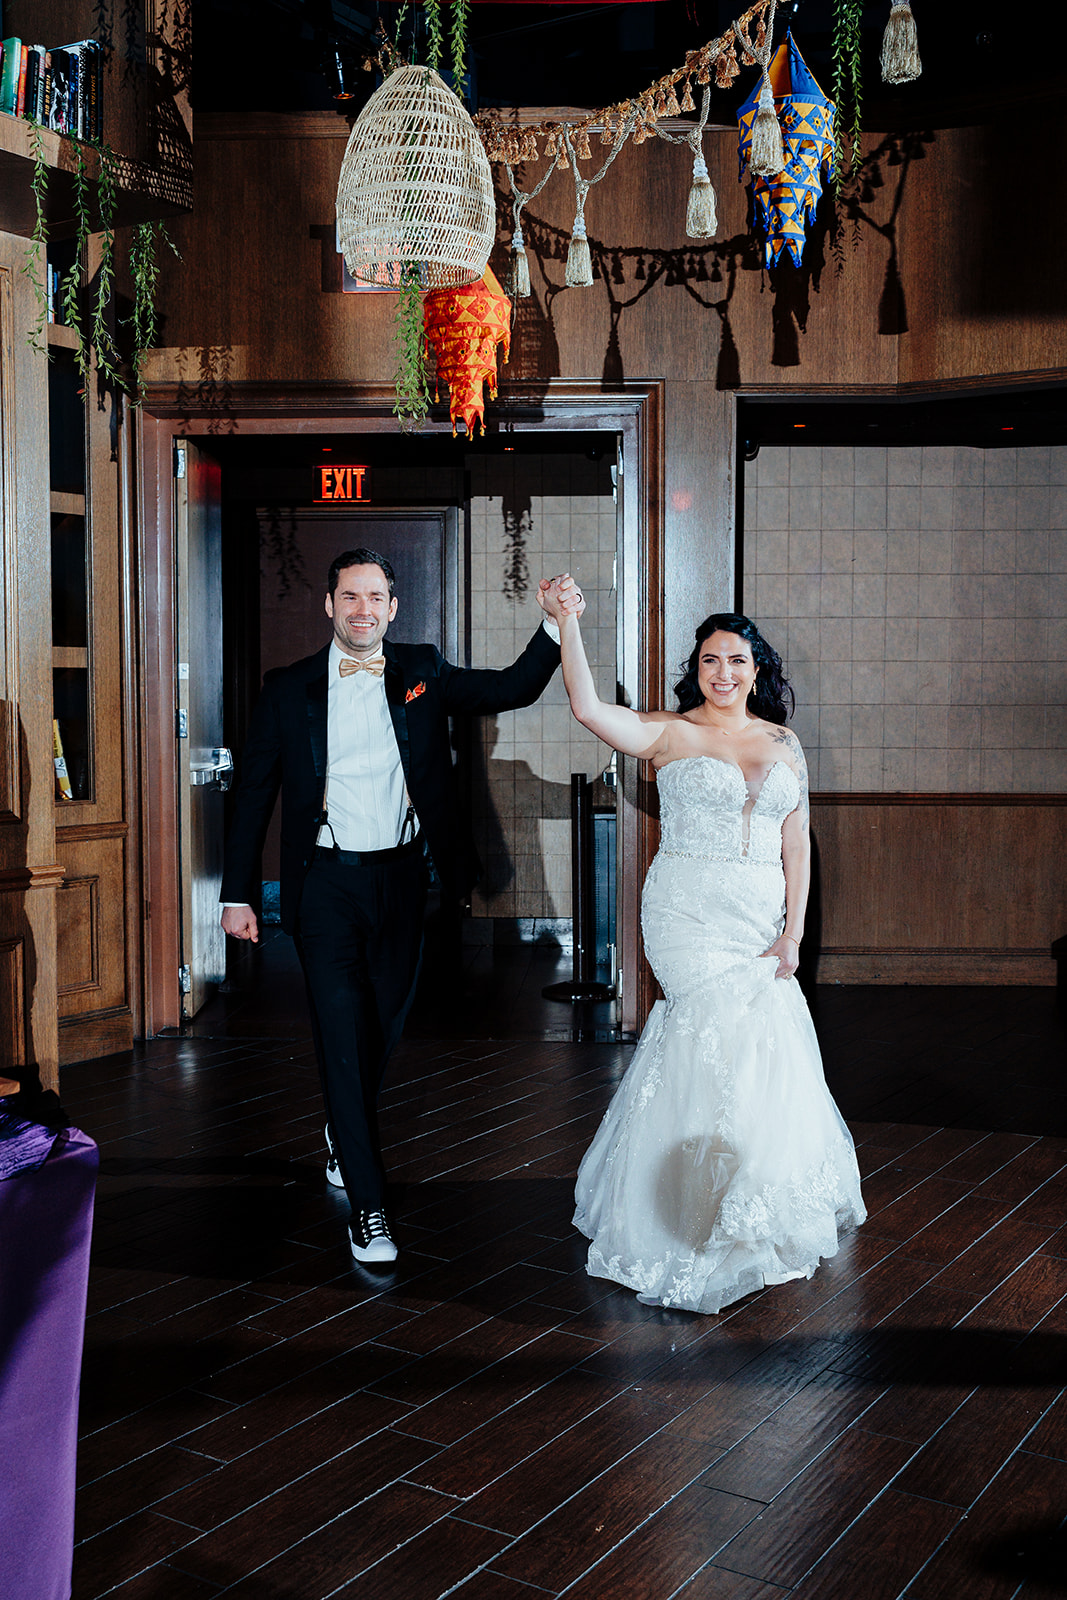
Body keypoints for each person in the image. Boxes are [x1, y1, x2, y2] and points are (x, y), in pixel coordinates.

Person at [221, 548, 582, 1266]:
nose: (362, 609)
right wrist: (235, 892)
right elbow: (255, 792)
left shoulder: (422, 671)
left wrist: (551, 626)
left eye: (375, 597)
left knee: (379, 1027)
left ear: (392, 607)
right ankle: (369, 1208)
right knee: (339, 1032)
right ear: (329, 605)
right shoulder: (287, 690)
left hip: (402, 882)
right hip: (322, 885)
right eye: (349, 596)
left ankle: (340, 1132)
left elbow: (509, 688)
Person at [538, 578, 865, 1314]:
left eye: (737, 660)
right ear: (698, 669)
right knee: (708, 1032)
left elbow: (796, 845)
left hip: (758, 916)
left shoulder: (783, 741)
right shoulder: (669, 733)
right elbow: (588, 708)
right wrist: (566, 623)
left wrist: (794, 934)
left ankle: (747, 1190)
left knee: (760, 1044)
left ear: (757, 670)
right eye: (711, 660)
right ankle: (680, 1207)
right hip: (686, 912)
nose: (723, 672)